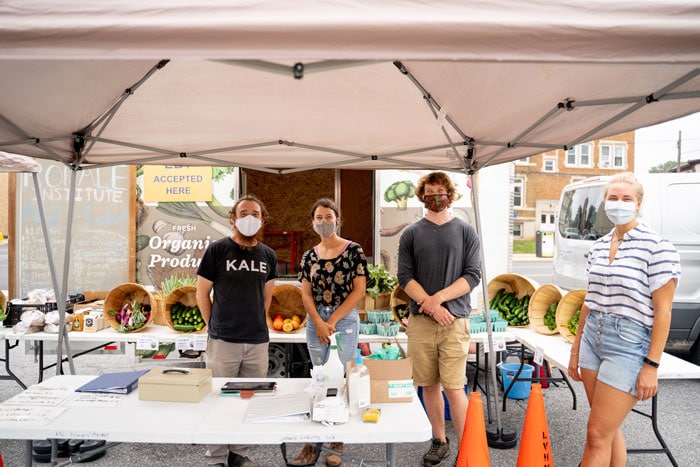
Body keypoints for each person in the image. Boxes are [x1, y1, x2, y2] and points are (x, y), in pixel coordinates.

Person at [567, 172, 680, 466]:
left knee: (595, 435)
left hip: (629, 344)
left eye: (626, 198)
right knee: (606, 429)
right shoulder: (599, 246)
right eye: (613, 198)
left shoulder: (658, 247)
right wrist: (576, 349)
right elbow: (589, 302)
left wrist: (652, 366)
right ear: (604, 202)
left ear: (639, 203)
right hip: (593, 337)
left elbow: (664, 312)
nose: (619, 203)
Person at [397, 171, 482, 467]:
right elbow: (404, 276)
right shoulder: (411, 233)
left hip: (454, 321)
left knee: (455, 387)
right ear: (422, 195)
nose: (435, 197)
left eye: (440, 191)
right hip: (421, 322)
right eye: (430, 191)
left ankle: (468, 448)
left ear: (449, 195)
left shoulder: (465, 231)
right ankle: (439, 440)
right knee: (429, 385)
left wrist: (438, 299)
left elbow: (472, 276)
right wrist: (430, 306)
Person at [196, 195, 278, 467]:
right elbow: (202, 293)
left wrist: (257, 321)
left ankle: (239, 454)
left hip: (256, 341)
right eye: (243, 212)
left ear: (263, 219)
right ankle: (216, 458)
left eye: (255, 213)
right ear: (233, 218)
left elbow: (266, 296)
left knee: (248, 400)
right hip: (224, 340)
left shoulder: (268, 255)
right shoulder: (217, 250)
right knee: (217, 400)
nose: (249, 217)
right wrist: (213, 326)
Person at [292, 198, 368, 467]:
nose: (324, 221)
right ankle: (312, 443)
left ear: (338, 220)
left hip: (343, 319)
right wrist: (318, 321)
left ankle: (337, 440)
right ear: (313, 221)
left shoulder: (353, 250)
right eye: (319, 217)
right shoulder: (308, 255)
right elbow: (305, 293)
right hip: (315, 320)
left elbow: (359, 291)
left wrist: (332, 320)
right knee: (319, 378)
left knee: (339, 376)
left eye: (328, 216)